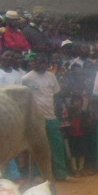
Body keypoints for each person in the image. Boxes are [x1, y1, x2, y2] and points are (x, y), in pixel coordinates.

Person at [21, 52, 66, 181]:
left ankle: (61, 173)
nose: (42, 65)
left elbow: (56, 95)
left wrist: (57, 114)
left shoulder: (51, 76)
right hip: (36, 118)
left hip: (51, 116)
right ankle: (38, 175)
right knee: (38, 147)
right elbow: (24, 99)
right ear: (33, 63)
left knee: (57, 145)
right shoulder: (26, 78)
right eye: (39, 62)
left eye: (45, 62)